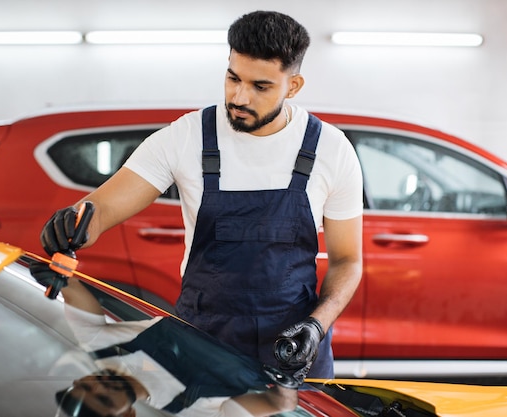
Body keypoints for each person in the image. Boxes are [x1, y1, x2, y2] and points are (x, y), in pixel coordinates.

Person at [39, 10, 363, 381]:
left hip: (294, 351)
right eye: (232, 78)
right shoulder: (187, 137)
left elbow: (347, 260)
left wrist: (316, 326)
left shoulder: (330, 150)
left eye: (260, 86)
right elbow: (101, 209)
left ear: (293, 86)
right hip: (202, 345)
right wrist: (71, 226)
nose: (239, 97)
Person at [33, 267, 299, 417]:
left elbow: (71, 288)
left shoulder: (101, 345)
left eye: (85, 388)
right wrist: (288, 375)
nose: (98, 387)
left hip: (223, 278)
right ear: (127, 416)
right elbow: (281, 405)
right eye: (103, 400)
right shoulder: (190, 411)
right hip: (280, 314)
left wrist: (55, 275)